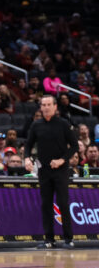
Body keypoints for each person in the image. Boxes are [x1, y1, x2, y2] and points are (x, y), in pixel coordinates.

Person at [28, 95, 77, 248]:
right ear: (40, 107)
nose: (46, 107)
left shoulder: (63, 124)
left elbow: (74, 146)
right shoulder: (36, 125)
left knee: (63, 203)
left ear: (55, 107)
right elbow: (28, 145)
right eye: (43, 105)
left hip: (61, 171)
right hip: (44, 171)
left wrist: (62, 160)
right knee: (46, 204)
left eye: (49, 104)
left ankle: (68, 239)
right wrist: (27, 158)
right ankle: (49, 239)